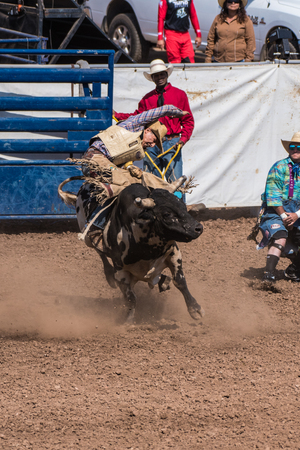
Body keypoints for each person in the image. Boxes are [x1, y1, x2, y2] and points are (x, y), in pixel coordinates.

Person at [74, 104, 189, 246]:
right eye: (154, 140)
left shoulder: (136, 145)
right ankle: (96, 225)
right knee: (125, 184)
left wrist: (130, 168)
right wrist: (174, 111)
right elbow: (155, 112)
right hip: (94, 160)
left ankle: (169, 190)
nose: (153, 145)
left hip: (107, 165)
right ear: (147, 130)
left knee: (141, 178)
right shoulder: (134, 125)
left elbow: (119, 156)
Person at [114, 59, 194, 183]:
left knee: (175, 182)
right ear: (152, 78)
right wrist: (117, 115)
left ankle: (178, 202)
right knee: (150, 181)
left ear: (167, 75)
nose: (159, 77)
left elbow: (188, 121)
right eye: (156, 75)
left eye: (162, 74)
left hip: (172, 143)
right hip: (151, 144)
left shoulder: (179, 95)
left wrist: (182, 140)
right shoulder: (147, 99)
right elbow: (136, 117)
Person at [258, 132, 300, 283]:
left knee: (291, 246)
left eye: (299, 147)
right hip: (276, 213)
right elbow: (273, 197)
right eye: (293, 146)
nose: (295, 149)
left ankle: (294, 270)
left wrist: (296, 215)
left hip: (298, 214)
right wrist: (285, 217)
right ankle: (268, 275)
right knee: (280, 238)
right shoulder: (278, 167)